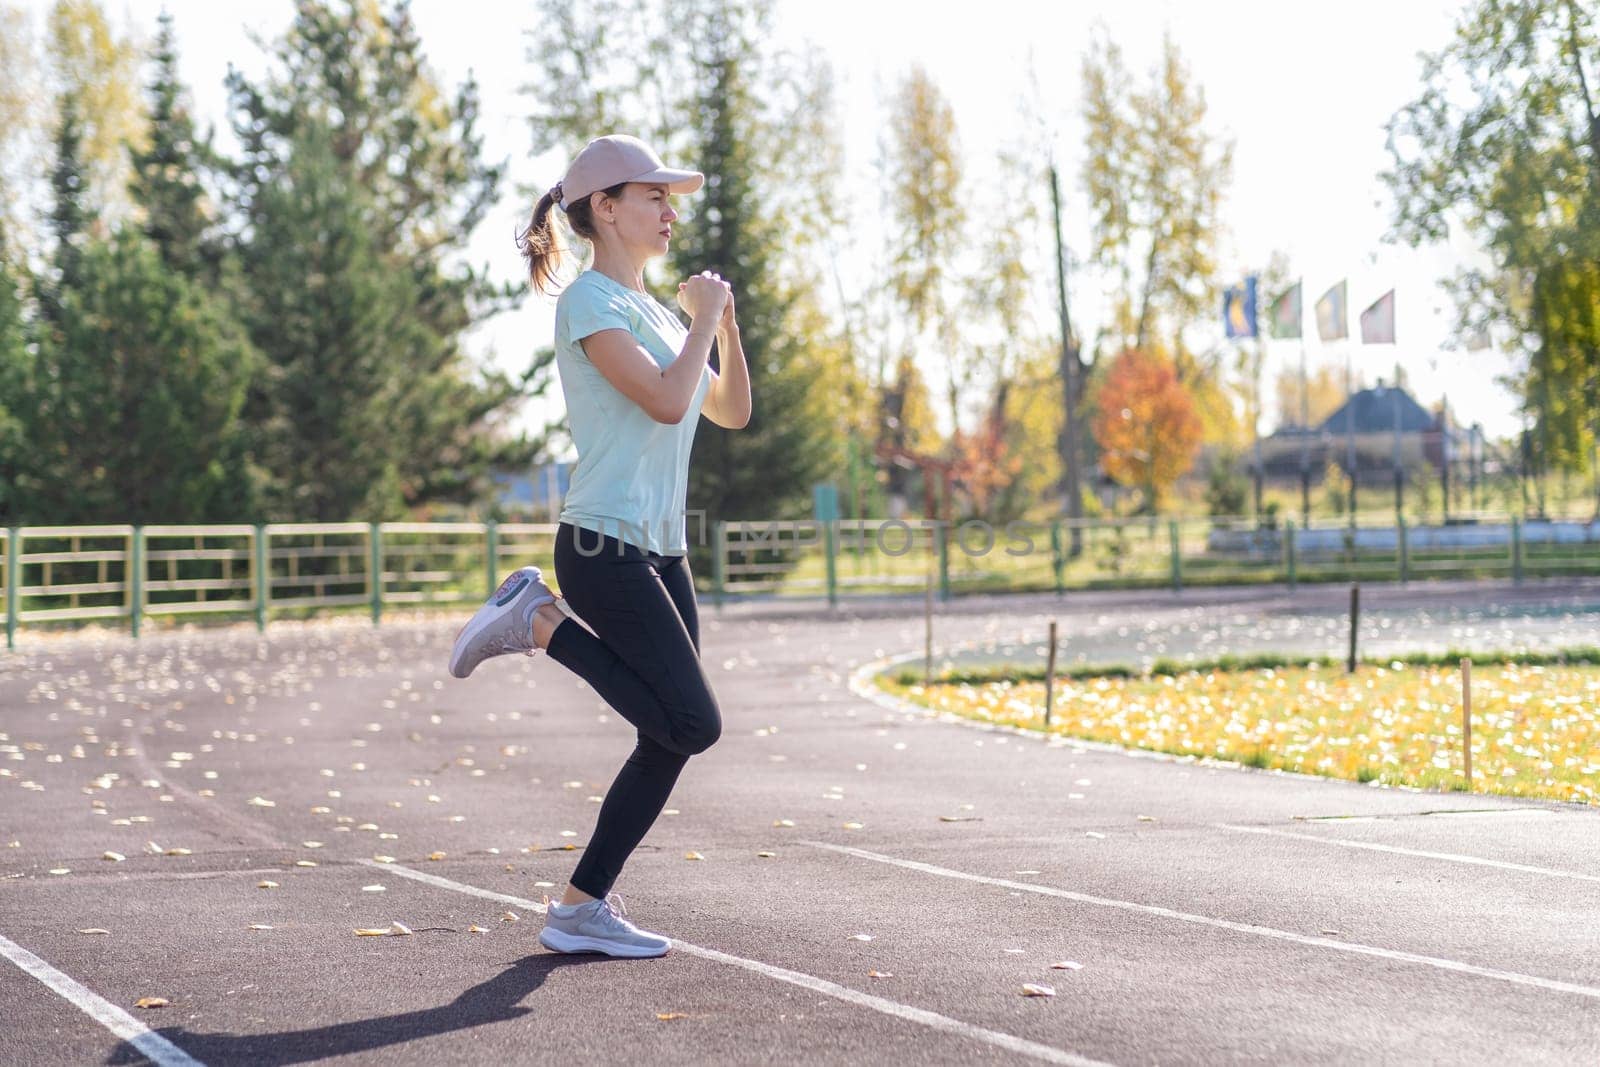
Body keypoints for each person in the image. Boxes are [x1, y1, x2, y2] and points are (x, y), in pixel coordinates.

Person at [447, 134, 751, 960]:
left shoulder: (660, 313)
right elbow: (663, 399)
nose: (670, 210)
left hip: (661, 551)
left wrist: (719, 327)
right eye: (653, 196)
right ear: (605, 210)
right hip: (602, 545)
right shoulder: (589, 304)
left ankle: (581, 905)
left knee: (670, 735)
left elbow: (728, 409)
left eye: (671, 197)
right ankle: (539, 621)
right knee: (694, 721)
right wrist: (706, 321)